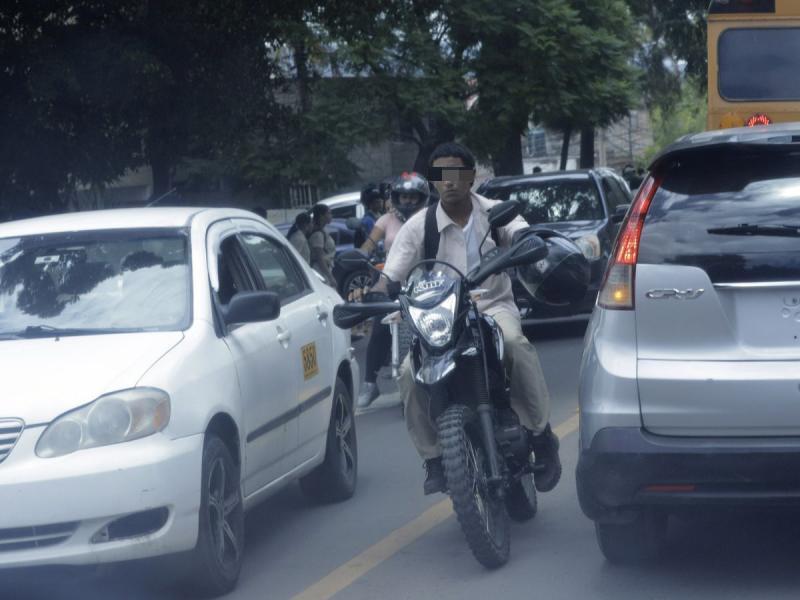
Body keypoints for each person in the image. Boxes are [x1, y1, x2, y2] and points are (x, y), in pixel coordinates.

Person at [378, 142, 561, 496]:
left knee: (515, 345)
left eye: (456, 174)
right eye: (440, 176)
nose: (449, 182)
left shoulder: (494, 213)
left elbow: (522, 234)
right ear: (433, 182)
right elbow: (391, 275)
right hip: (441, 319)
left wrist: (525, 241)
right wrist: (376, 291)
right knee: (406, 373)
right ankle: (433, 458)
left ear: (472, 177)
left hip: (492, 308)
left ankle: (542, 435)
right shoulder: (418, 227)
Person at [357, 172, 429, 409]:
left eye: (412, 197)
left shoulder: (431, 217)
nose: (407, 201)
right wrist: (360, 256)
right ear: (395, 197)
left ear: (422, 197)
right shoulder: (385, 221)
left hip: (427, 281)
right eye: (403, 196)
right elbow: (368, 245)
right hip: (391, 282)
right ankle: (370, 383)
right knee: (380, 326)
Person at [309, 203, 336, 286]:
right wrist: (330, 277)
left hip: (324, 270)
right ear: (321, 216)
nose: (331, 216)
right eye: (329, 213)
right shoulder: (318, 234)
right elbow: (320, 258)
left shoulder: (323, 231)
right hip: (320, 272)